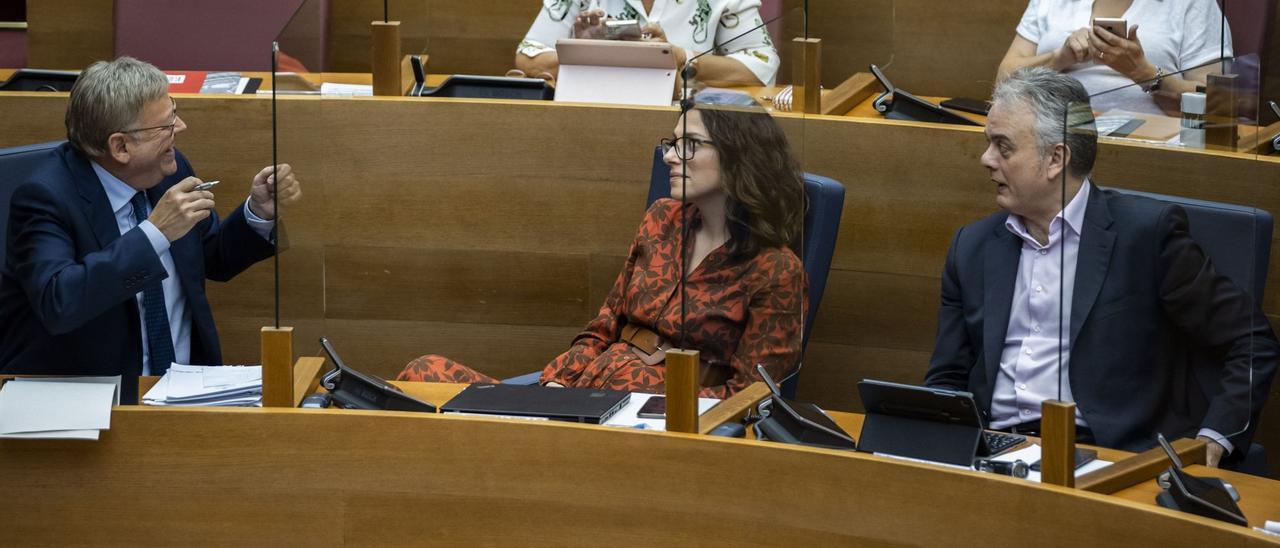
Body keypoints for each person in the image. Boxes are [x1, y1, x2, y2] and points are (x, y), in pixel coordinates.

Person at [924, 67, 1276, 467]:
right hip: (993, 454)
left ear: (1056, 158)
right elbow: (947, 381)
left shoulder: (1146, 237)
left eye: (1003, 147)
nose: (986, 160)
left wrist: (1213, 439)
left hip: (1110, 459)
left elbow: (1251, 342)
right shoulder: (971, 247)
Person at [399, 99, 806, 399]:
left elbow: (753, 398)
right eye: (671, 143)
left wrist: (645, 402)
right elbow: (605, 325)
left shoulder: (775, 270)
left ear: (739, 159)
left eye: (689, 145)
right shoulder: (662, 219)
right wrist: (559, 381)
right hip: (584, 392)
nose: (669, 157)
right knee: (422, 375)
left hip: (648, 423)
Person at [0, 57, 302, 401]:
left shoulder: (169, 169)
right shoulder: (45, 198)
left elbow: (210, 256)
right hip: (90, 403)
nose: (181, 127)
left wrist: (257, 213)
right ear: (120, 147)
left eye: (173, 113)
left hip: (185, 390)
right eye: (167, 125)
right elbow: (60, 302)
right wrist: (154, 234)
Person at [996, 0, 1231, 116]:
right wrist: (1060, 58)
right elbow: (1003, 81)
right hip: (1048, 136)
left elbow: (1219, 105)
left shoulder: (1193, 4)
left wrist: (1144, 74)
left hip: (1145, 148)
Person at [514, 0, 779, 86]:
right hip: (588, 118)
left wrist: (681, 58)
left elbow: (762, 63)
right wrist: (584, 52)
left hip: (682, 128)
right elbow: (528, 56)